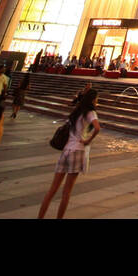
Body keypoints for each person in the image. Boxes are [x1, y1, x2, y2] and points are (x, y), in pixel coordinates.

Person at [38, 89, 101, 219]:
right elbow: (97, 128)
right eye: (97, 99)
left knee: (52, 189)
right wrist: (88, 140)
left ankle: (40, 217)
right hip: (77, 150)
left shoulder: (76, 112)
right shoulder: (90, 112)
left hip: (66, 150)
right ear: (93, 99)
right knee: (66, 192)